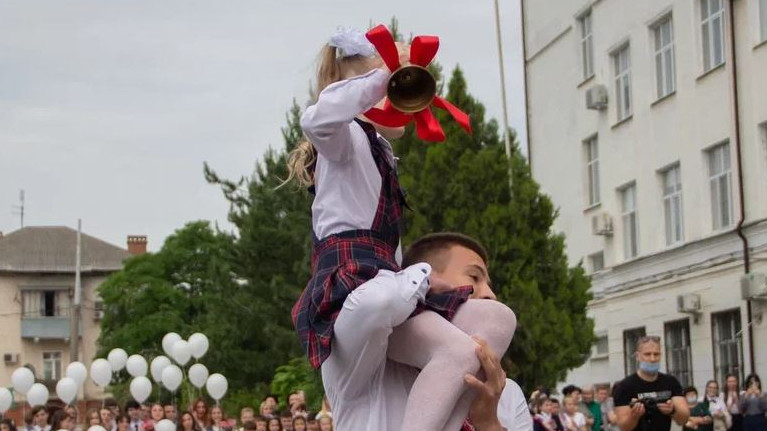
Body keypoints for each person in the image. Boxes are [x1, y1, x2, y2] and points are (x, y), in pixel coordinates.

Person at [288, 27, 517, 431]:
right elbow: (317, 120)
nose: (399, 102)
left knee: (497, 321)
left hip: (388, 283)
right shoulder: (344, 140)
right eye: (388, 90)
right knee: (420, 327)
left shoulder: (382, 152)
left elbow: (390, 251)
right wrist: (385, 75)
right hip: (352, 290)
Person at [613, 336, 689, 431]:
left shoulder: (671, 382)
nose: (652, 359)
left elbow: (684, 419)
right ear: (638, 356)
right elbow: (623, 427)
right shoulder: (624, 386)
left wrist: (672, 411)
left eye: (656, 354)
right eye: (647, 354)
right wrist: (634, 416)